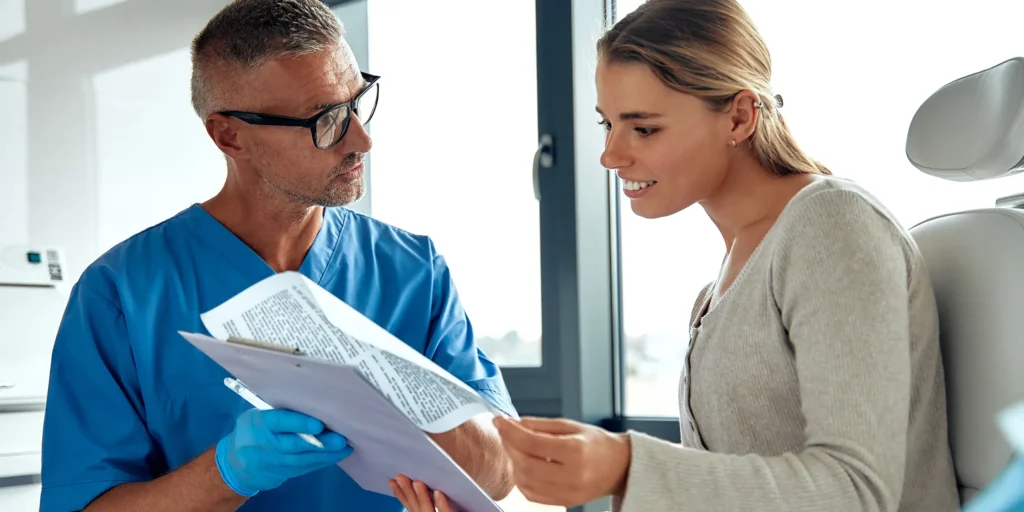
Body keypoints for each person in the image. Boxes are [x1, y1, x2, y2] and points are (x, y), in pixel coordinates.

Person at [395, 0, 961, 511]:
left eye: (643, 128)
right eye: (608, 124)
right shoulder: (717, 291)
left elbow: (858, 491)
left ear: (739, 117)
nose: (611, 156)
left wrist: (626, 467)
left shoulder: (833, 225)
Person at [38, 1, 516, 511]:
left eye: (358, 101)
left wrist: (392, 390)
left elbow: (501, 473)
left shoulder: (413, 271)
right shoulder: (121, 293)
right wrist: (225, 472)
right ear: (229, 135)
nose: (361, 138)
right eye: (327, 119)